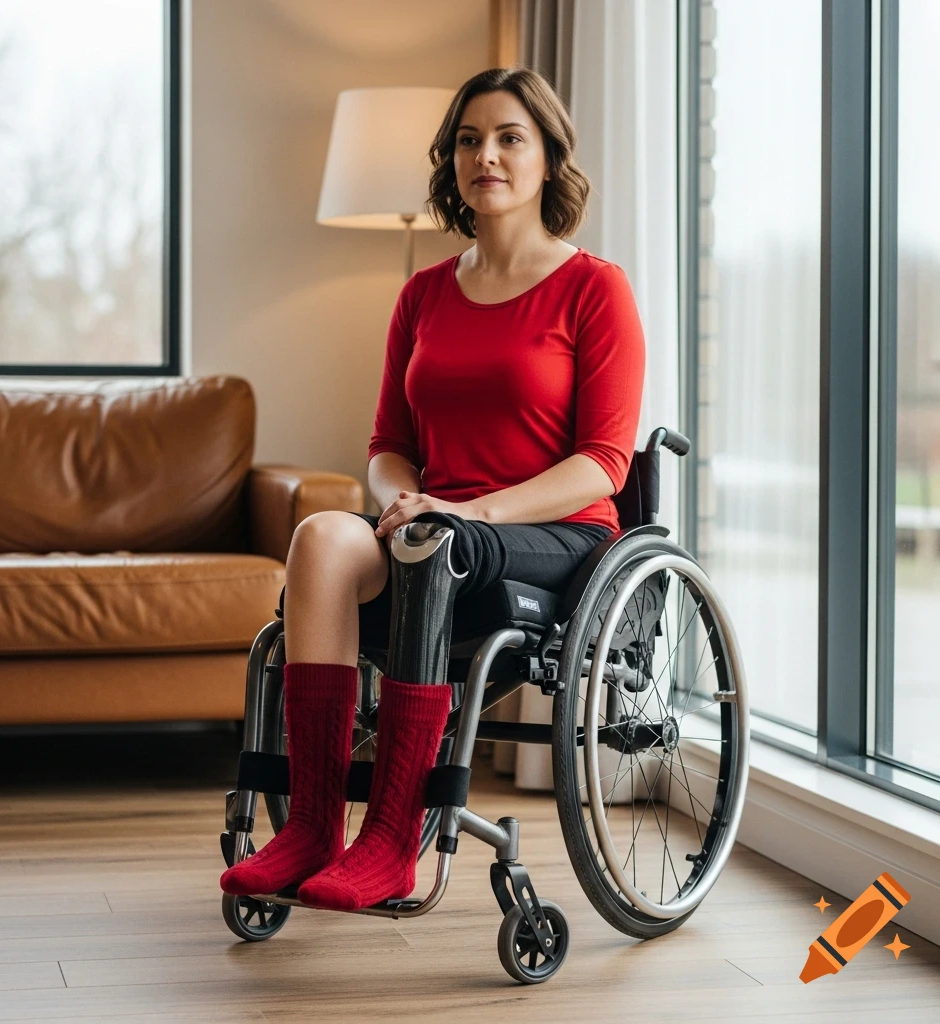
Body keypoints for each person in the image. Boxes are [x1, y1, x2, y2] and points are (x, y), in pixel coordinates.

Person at [220, 66, 646, 912]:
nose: (485, 155)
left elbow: (603, 463)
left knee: (431, 544)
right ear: (451, 160)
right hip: (435, 527)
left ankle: (392, 838)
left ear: (548, 158)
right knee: (322, 538)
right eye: (468, 139)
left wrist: (464, 510)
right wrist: (403, 502)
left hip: (555, 535)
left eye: (509, 137)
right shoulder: (421, 295)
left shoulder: (594, 288)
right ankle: (309, 826)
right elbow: (388, 449)